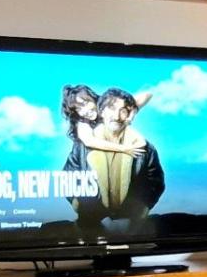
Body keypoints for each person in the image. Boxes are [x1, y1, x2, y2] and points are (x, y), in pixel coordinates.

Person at [64, 86, 164, 230]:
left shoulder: (145, 148)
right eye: (78, 108)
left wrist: (141, 209)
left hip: (133, 227)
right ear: (102, 111)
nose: (116, 116)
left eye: (123, 111)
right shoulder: (83, 137)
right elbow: (69, 177)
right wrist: (81, 207)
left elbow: (155, 180)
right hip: (91, 226)